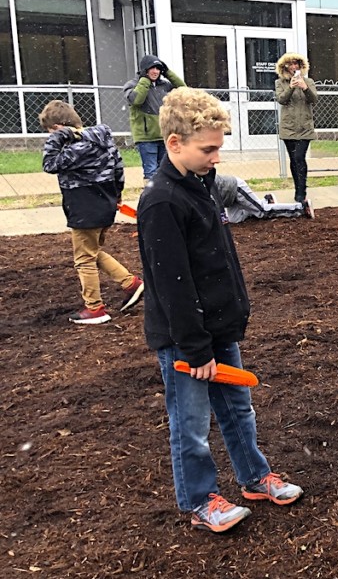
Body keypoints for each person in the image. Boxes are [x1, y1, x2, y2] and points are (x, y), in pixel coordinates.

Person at [137, 87, 303, 533]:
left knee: (237, 409)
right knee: (190, 425)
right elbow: (172, 285)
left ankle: (254, 478)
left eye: (218, 148)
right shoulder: (161, 201)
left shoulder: (200, 184)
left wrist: (226, 323)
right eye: (207, 149)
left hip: (218, 329)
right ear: (174, 143)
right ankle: (199, 500)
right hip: (185, 339)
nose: (216, 157)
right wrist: (194, 348)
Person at [41, 100, 145, 325]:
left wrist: (58, 138)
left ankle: (95, 308)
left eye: (51, 132)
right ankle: (131, 283)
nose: (50, 137)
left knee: (83, 259)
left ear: (59, 127)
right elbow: (119, 169)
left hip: (84, 207)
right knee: (92, 251)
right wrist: (116, 197)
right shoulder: (104, 142)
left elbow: (49, 164)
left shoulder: (74, 147)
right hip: (105, 203)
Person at [123, 54, 186, 180]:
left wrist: (168, 73)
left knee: (164, 170)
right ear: (145, 70)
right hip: (146, 137)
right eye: (152, 68)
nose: (156, 71)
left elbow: (183, 90)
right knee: (151, 171)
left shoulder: (164, 85)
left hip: (164, 135)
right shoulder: (132, 85)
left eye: (158, 69)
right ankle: (150, 196)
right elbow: (137, 100)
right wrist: (145, 80)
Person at [275, 52, 318, 202]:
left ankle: (302, 191)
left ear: (301, 66)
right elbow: (281, 99)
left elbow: (314, 99)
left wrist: (305, 87)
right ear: (285, 67)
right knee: (294, 160)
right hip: (288, 128)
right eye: (290, 64)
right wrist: (291, 87)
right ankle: (298, 190)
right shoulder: (280, 83)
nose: (294, 67)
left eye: (296, 64)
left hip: (305, 127)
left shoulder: (309, 81)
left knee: (300, 157)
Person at [214, 174, 314, 224]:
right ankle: (266, 201)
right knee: (235, 220)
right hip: (228, 199)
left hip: (236, 188)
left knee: (262, 212)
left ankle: (301, 207)